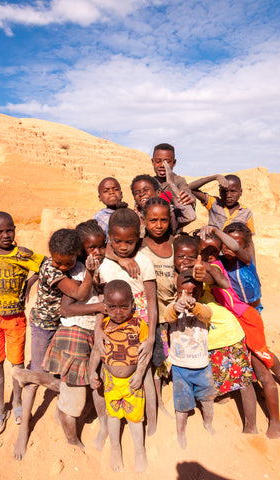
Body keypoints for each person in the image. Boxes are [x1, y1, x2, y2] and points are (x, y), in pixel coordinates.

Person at [12, 220, 109, 451]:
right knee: (38, 371)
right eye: (59, 262)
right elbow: (79, 293)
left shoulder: (70, 264)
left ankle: (49, 397)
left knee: (63, 374)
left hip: (61, 324)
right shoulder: (53, 268)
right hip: (44, 326)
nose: (63, 266)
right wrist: (90, 274)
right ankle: (24, 427)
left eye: (68, 262)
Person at [202, 224, 280, 438]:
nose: (228, 248)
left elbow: (234, 247)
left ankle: (278, 409)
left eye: (234, 244)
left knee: (261, 359)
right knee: (257, 356)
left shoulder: (246, 258)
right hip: (237, 318)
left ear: (246, 245)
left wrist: (216, 231)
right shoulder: (219, 263)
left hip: (251, 313)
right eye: (224, 245)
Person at [173, 233, 258, 435]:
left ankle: (251, 427)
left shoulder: (203, 272)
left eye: (192, 257)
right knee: (218, 381)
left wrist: (207, 271)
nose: (186, 262)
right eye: (181, 257)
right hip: (206, 340)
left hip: (226, 333)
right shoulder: (177, 278)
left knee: (243, 381)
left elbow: (222, 282)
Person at [0, 211, 44, 438]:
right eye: (0, 231)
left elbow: (44, 265)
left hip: (15, 319)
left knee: (17, 365)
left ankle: (17, 403)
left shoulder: (23, 255)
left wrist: (29, 283)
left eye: (10, 230)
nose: (6, 235)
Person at [96, 206, 158, 435]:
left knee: (145, 375)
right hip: (111, 326)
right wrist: (97, 330)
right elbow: (102, 301)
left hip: (139, 327)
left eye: (129, 242)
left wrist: (150, 337)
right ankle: (108, 423)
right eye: (117, 241)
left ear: (138, 238)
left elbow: (152, 302)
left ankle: (150, 423)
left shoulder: (143, 262)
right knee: (108, 372)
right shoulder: (104, 263)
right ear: (110, 238)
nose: (123, 247)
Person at [89, 280, 150, 473]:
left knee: (135, 418)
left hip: (134, 382)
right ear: (105, 307)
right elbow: (96, 352)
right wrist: (92, 371)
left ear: (133, 304)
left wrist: (140, 374)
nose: (118, 311)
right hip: (111, 383)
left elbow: (144, 354)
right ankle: (115, 448)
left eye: (124, 306)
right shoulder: (103, 326)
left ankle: (140, 450)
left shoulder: (139, 325)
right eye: (113, 307)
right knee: (113, 416)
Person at [164, 270, 215, 449]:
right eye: (181, 292)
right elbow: (167, 316)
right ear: (176, 292)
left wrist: (195, 307)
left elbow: (207, 315)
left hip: (202, 366)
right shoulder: (173, 308)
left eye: (192, 293)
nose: (186, 296)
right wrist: (176, 307)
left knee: (208, 400)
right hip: (180, 367)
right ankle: (181, 432)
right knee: (182, 404)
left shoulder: (204, 309)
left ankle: (208, 423)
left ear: (200, 293)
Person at [139, 197, 175, 416]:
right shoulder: (138, 245)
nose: (159, 225)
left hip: (171, 315)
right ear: (144, 220)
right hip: (149, 316)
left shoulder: (175, 243)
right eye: (153, 220)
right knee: (150, 359)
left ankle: (160, 399)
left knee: (162, 360)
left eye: (163, 220)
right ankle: (152, 399)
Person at [131, 174, 196, 236]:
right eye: (137, 193)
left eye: (146, 190)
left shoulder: (168, 213)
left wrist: (172, 185)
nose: (141, 194)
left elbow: (190, 216)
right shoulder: (133, 219)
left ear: (158, 192)